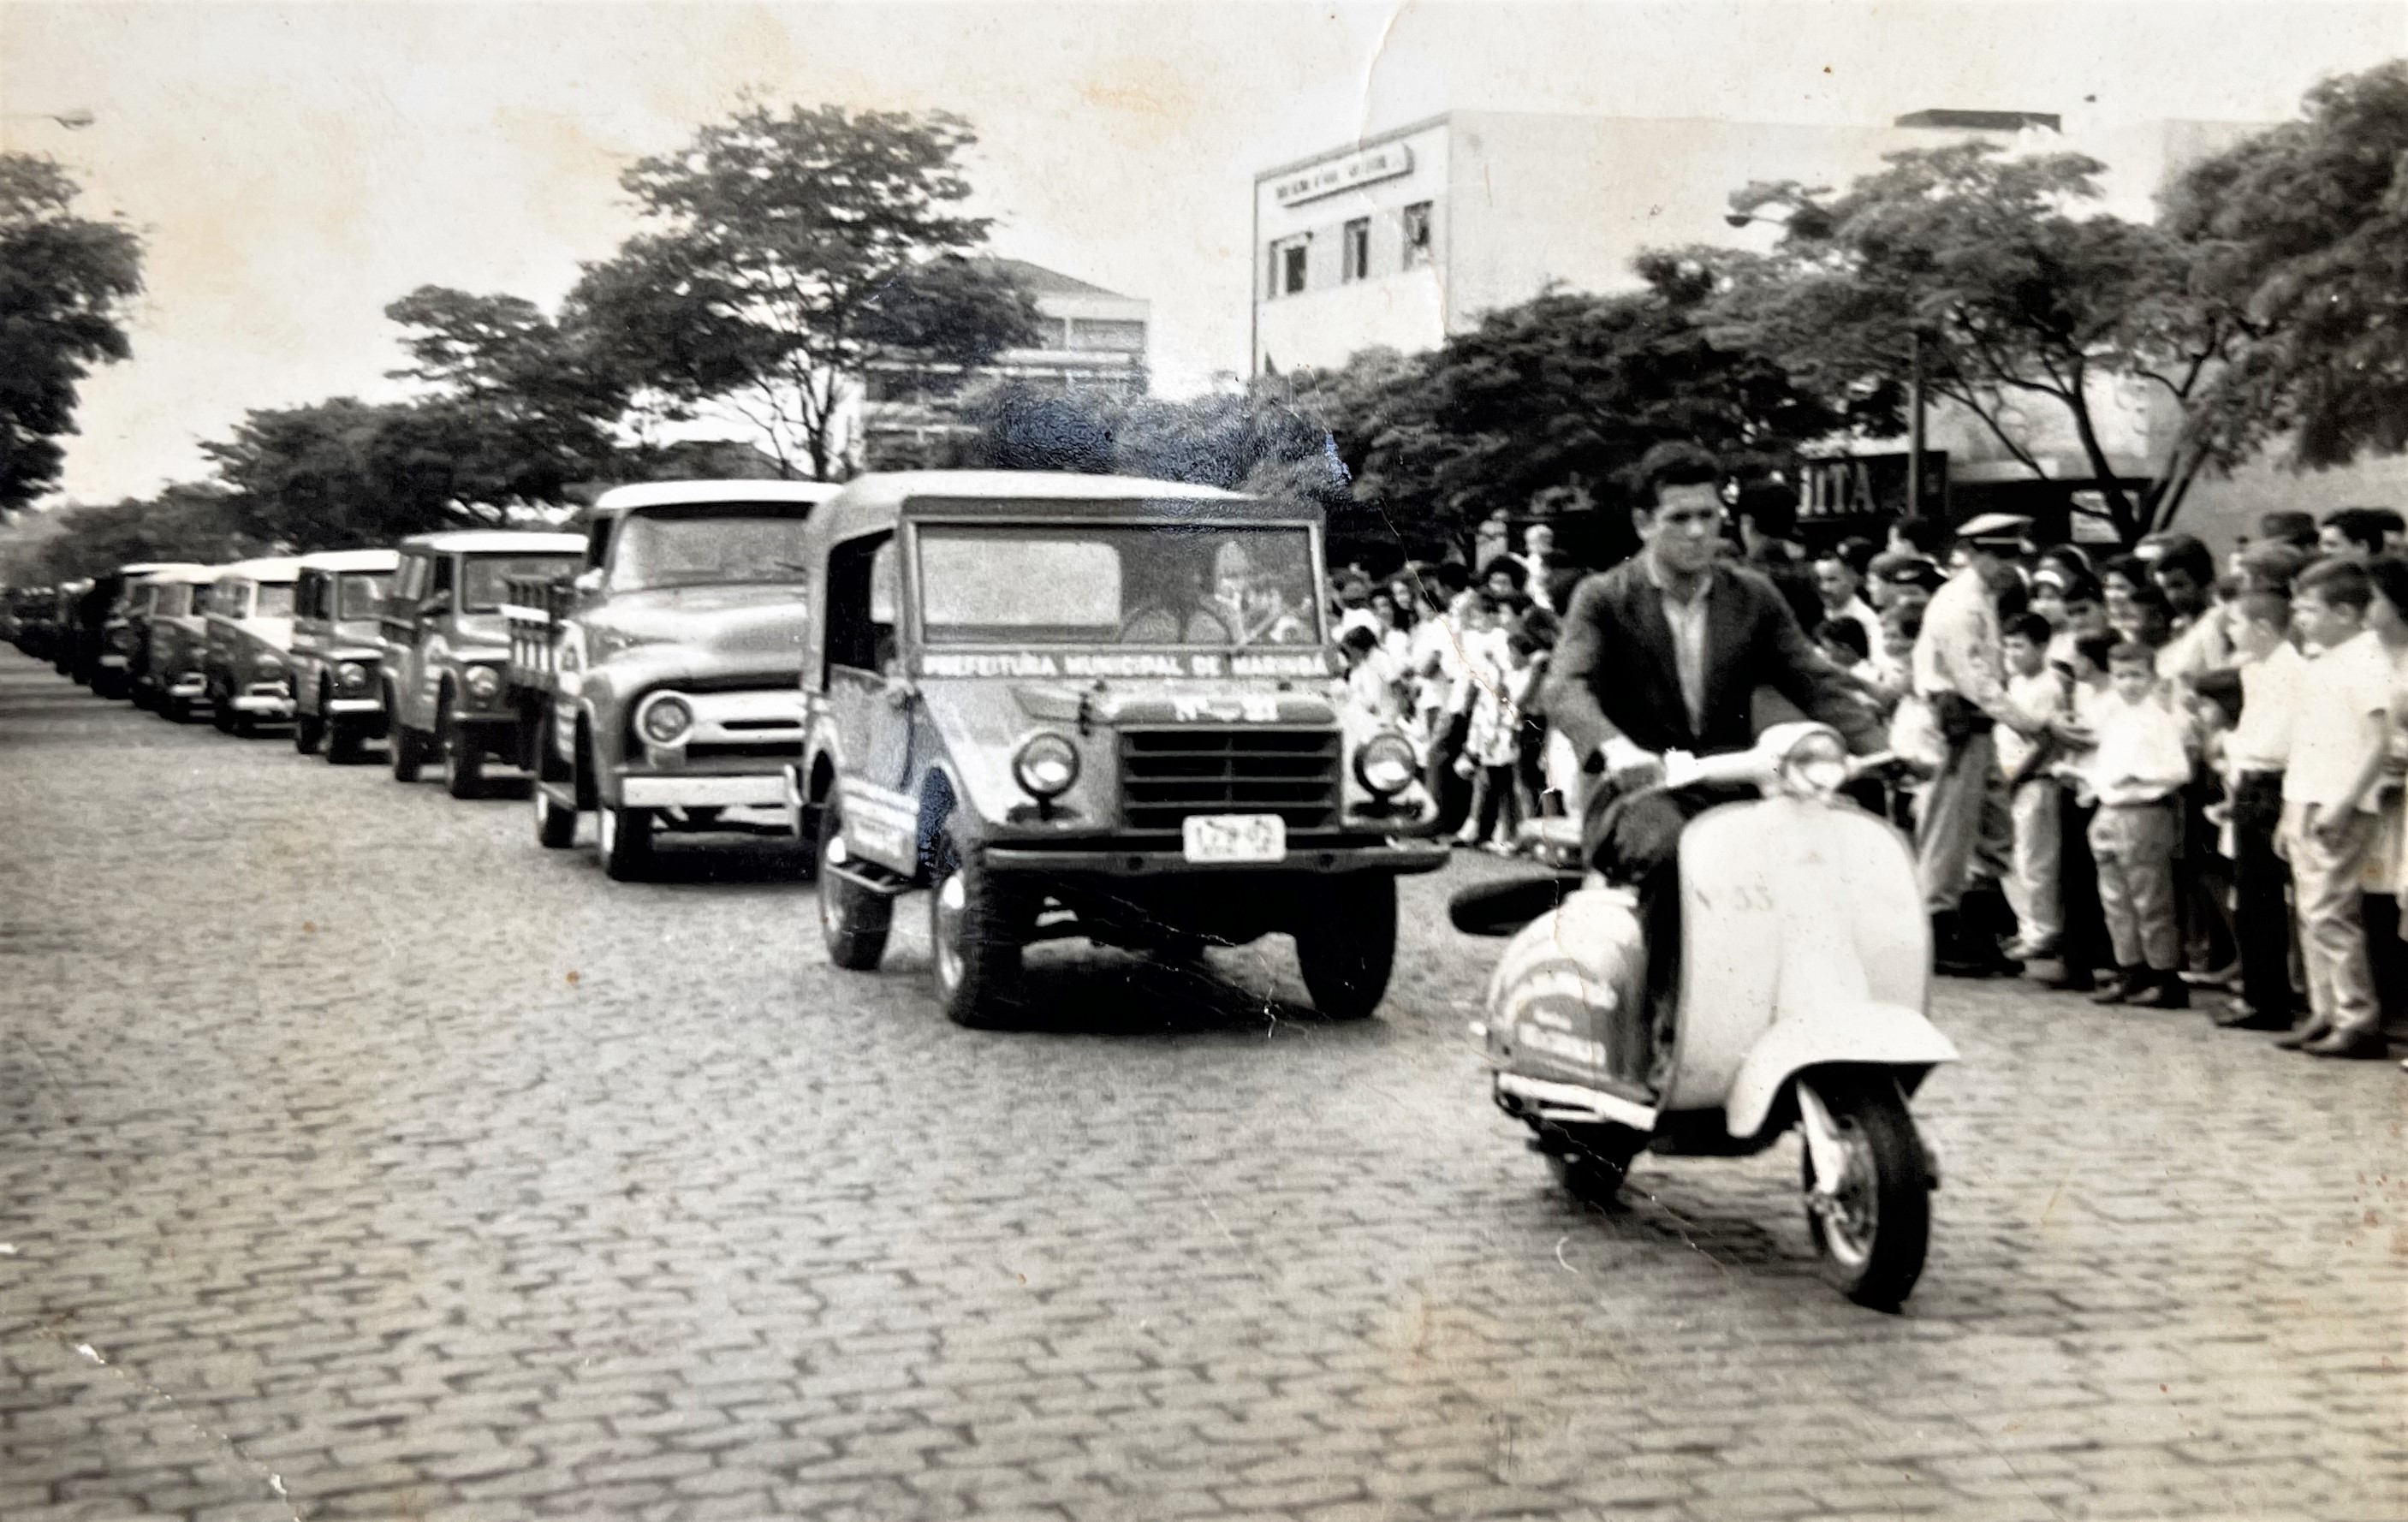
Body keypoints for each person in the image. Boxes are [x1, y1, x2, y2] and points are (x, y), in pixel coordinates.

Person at [1544, 441, 1881, 1088]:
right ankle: (1656, 1027)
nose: (1698, 531)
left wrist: (1874, 750)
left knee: (1820, 849)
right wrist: (1615, 749)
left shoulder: (1751, 597)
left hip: (1731, 784)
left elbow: (1812, 678)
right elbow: (1564, 687)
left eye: (1707, 515)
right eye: (1678, 518)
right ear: (1644, 523)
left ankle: (1811, 1012)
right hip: (1636, 795)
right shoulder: (1603, 597)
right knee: (1677, 858)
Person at [1911, 513, 2048, 976]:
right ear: (1974, 554)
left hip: (1980, 728)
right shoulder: (1961, 605)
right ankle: (1939, 937)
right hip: (1956, 722)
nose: (2006, 565)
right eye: (1997, 555)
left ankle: (1978, 932)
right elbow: (1977, 683)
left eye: (2011, 555)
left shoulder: (1984, 598)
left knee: (1995, 831)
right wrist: (2030, 723)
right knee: (1948, 835)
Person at [2278, 558, 2394, 1059]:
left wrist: (2346, 801)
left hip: (2337, 801)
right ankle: (2324, 1010)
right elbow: (2305, 743)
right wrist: (2289, 810)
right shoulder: (2322, 661)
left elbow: (2379, 741)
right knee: (2311, 911)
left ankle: (2357, 1016)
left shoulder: (2367, 662)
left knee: (2332, 911)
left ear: (2345, 613)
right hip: (2308, 796)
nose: (2300, 618)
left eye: (2309, 610)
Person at [2065, 643, 2196, 1007]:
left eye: (2137, 675)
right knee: (2116, 900)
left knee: (2150, 900)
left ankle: (2164, 975)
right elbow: (2105, 768)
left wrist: (2136, 776)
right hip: (2109, 810)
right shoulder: (2115, 720)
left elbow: (2177, 771)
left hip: (2143, 811)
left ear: (2153, 677)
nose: (2129, 684)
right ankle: (2130, 969)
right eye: (2121, 676)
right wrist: (2087, 779)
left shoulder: (2160, 720)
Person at [2215, 588, 2303, 1029]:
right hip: (2252, 782)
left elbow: (2272, 742)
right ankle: (2259, 993)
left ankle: (2270, 1001)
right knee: (2250, 898)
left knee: (2263, 897)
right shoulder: (2258, 670)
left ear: (2263, 627)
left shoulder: (2289, 672)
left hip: (2271, 783)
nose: (2229, 630)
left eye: (2236, 622)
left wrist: (2234, 747)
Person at [1997, 612, 2065, 962]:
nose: (2012, 652)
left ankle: (2044, 929)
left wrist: (2017, 777)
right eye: (2007, 645)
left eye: (2020, 646)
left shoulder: (2049, 686)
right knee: (2011, 860)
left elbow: (2044, 742)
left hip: (2034, 779)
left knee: (2035, 860)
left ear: (2041, 646)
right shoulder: (2016, 683)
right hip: (2008, 776)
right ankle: (2027, 927)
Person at [1813, 550, 1884, 654]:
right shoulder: (1811, 612)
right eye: (1818, 580)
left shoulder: (1867, 621)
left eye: (1832, 580)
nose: (1824, 587)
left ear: (1852, 579)